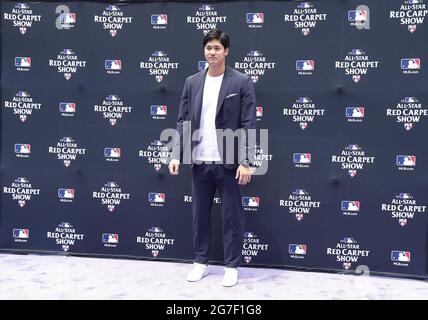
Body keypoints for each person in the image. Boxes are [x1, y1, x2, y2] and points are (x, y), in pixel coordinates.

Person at [168, 29, 256, 287]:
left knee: (231, 216)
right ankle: (201, 262)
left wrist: (246, 160)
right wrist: (176, 154)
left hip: (229, 162)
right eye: (208, 48)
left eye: (217, 48)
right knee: (199, 215)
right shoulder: (192, 82)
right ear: (204, 51)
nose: (212, 52)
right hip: (200, 160)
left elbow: (249, 123)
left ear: (226, 51)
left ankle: (231, 266)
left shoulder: (240, 82)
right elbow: (183, 121)